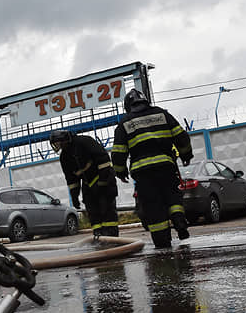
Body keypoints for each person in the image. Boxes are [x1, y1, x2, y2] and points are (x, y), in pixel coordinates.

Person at [111, 89, 193, 249]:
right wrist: (185, 155)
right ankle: (179, 218)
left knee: (153, 206)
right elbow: (181, 136)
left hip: (143, 173)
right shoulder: (162, 114)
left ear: (128, 105)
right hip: (166, 166)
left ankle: (162, 242)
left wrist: (120, 172)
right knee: (172, 195)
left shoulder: (125, 123)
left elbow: (119, 151)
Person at [50, 129, 119, 237]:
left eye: (60, 142)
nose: (59, 145)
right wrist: (74, 197)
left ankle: (111, 234)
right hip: (88, 183)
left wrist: (102, 182)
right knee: (92, 210)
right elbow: (72, 180)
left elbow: (103, 160)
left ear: (66, 140)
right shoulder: (64, 157)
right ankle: (98, 234)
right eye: (56, 144)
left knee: (106, 209)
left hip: (103, 178)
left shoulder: (84, 142)